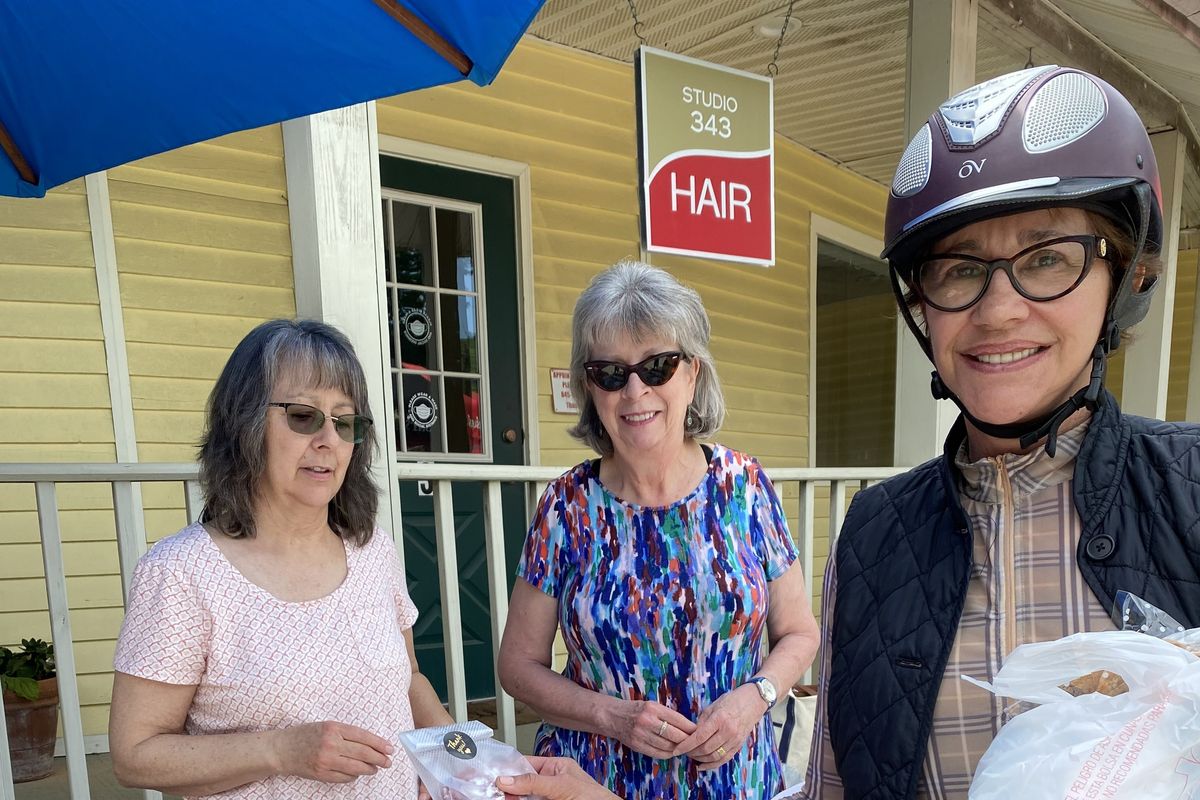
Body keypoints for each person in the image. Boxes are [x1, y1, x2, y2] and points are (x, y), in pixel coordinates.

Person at [801, 66, 1200, 799]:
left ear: (1125, 275)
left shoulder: (1192, 487)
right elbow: (832, 784)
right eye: (958, 270)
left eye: (1046, 258)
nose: (999, 310)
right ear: (923, 303)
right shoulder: (874, 533)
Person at [498, 261, 820, 799]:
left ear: (693, 374)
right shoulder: (566, 507)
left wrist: (755, 697)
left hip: (732, 780)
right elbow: (517, 665)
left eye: (658, 366)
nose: (634, 390)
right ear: (589, 387)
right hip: (594, 782)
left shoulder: (745, 487)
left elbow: (800, 632)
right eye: (610, 373)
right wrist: (611, 716)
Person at [108, 319, 453, 798]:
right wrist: (281, 750)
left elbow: (409, 680)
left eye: (345, 421)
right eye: (303, 416)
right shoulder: (181, 574)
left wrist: (452, 763)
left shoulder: (372, 550)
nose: (329, 440)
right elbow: (135, 755)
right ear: (245, 424)